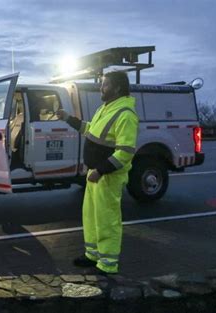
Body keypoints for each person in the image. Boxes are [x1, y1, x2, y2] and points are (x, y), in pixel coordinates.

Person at [57, 71, 139, 275]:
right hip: (95, 174)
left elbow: (126, 152)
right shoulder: (106, 109)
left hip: (107, 177)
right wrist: (68, 118)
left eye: (105, 85)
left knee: (107, 220)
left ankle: (108, 264)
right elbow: (90, 130)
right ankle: (92, 255)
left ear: (117, 88)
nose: (101, 88)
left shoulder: (125, 115)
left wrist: (101, 170)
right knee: (92, 217)